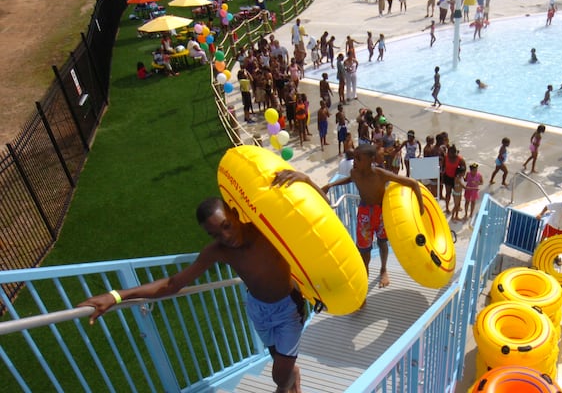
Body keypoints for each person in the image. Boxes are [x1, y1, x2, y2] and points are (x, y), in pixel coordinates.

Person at [78, 172, 326, 393]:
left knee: (278, 375)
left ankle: (285, 386)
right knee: (279, 361)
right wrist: (116, 296)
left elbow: (322, 217)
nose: (225, 237)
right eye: (215, 234)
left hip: (287, 309)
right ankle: (292, 379)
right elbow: (173, 284)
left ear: (236, 214)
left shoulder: (266, 230)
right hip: (258, 309)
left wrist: (306, 181)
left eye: (227, 226)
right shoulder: (219, 251)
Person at [321, 144, 425, 289]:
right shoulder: (355, 172)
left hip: (381, 212)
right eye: (354, 157)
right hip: (364, 214)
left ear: (371, 159)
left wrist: (420, 208)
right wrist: (330, 185)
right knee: (364, 250)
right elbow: (351, 179)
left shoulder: (380, 174)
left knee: (382, 243)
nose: (354, 161)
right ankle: (363, 283)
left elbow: (413, 183)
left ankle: (383, 269)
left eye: (358, 158)